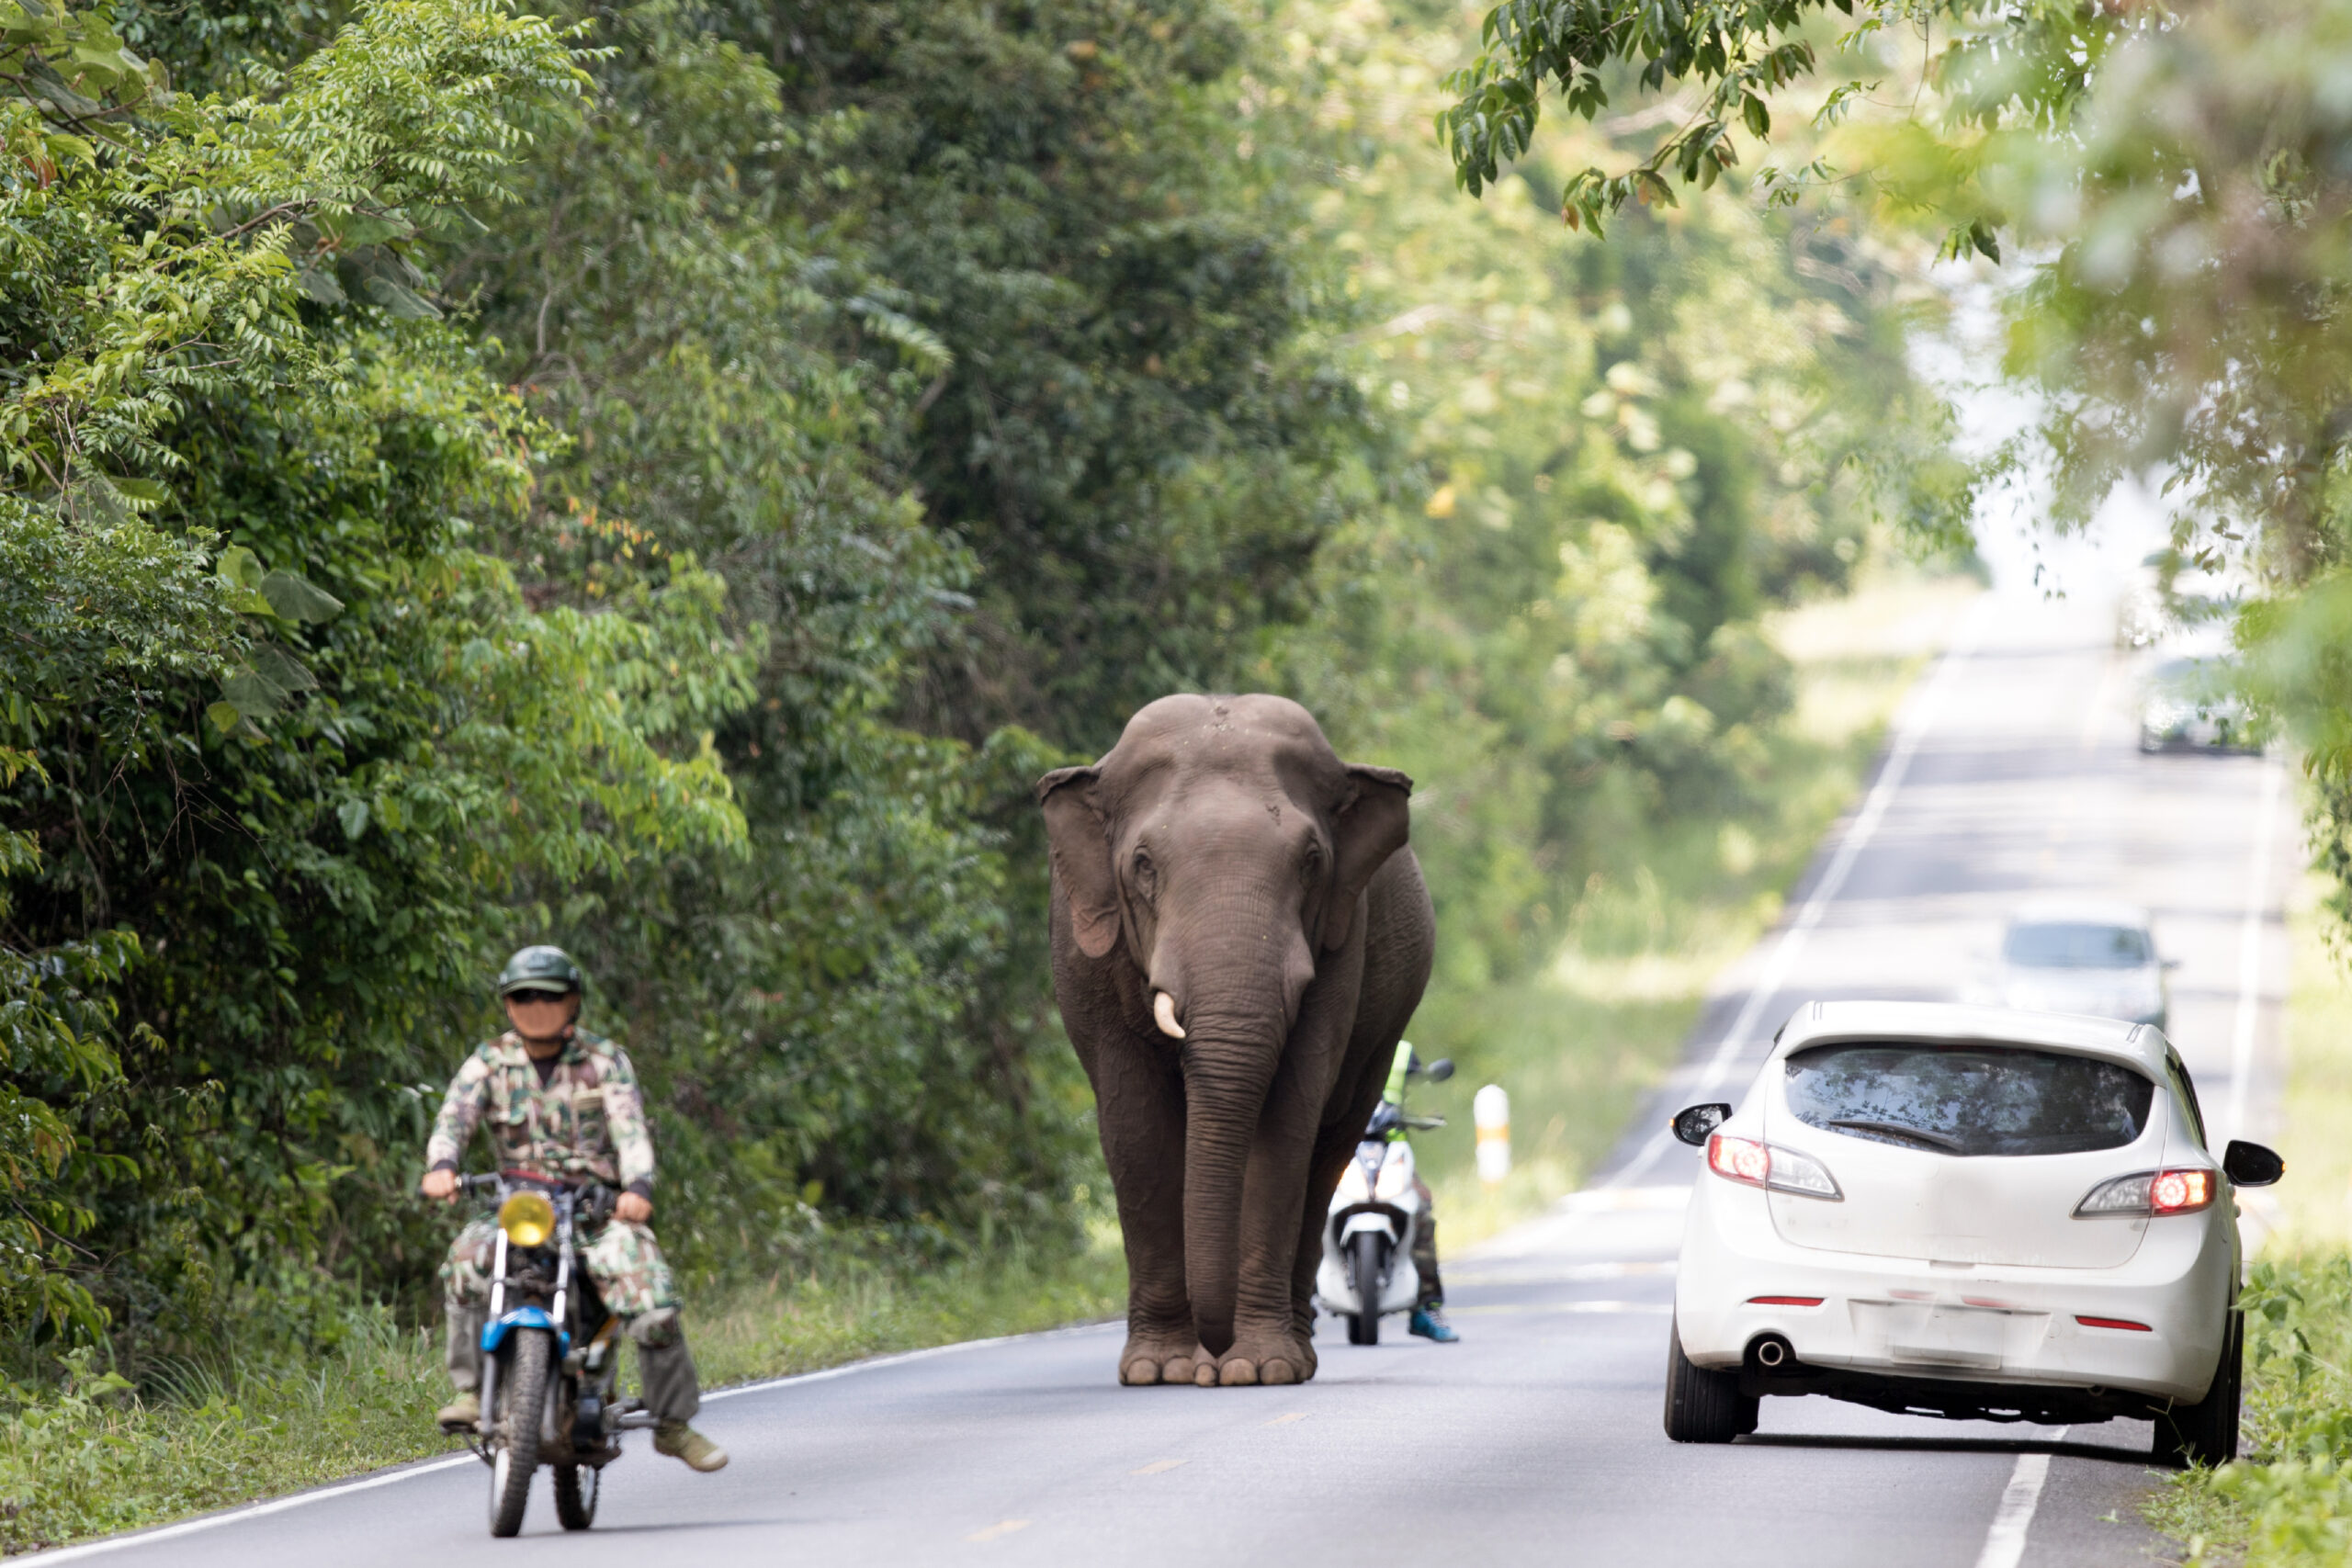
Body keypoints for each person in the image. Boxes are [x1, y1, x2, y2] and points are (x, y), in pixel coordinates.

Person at [420, 944, 728, 1472]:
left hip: (593, 1213)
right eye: (524, 996)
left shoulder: (604, 1061)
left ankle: (673, 1424)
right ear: (509, 1003)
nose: (537, 1004)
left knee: (651, 1295)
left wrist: (638, 1187)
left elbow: (630, 1129)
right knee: (466, 1262)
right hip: (519, 1210)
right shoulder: (489, 1062)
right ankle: (473, 1393)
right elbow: (454, 1117)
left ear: (573, 1001)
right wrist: (442, 1164)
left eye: (549, 995)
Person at [1383, 1039, 1460, 1343]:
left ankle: (1426, 1308)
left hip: (1391, 1151)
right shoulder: (1330, 1036)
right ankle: (1299, 1310)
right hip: (1341, 1150)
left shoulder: (1401, 1051)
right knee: (1307, 1212)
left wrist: (1425, 1114)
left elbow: (1424, 1092)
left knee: (1421, 1214)